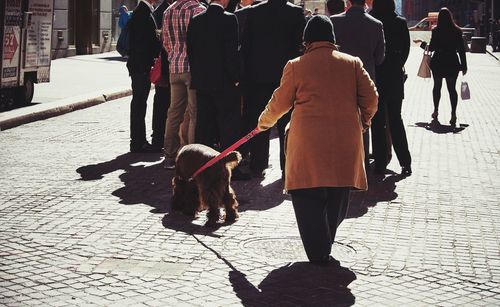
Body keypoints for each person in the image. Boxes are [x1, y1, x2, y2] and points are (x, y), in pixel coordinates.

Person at [257, 16, 378, 265]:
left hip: (307, 143)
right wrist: (364, 122)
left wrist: (264, 123)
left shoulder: (296, 65)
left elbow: (279, 103)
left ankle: (317, 249)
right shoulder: (353, 64)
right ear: (333, 39)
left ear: (306, 40)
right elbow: (372, 98)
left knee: (306, 194)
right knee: (338, 192)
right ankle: (325, 244)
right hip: (345, 140)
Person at [240, 0, 306, 178]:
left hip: (257, 77)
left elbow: (245, 45)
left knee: (260, 120)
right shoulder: (295, 13)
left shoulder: (254, 12)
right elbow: (301, 47)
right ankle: (287, 166)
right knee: (287, 124)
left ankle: (258, 163)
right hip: (286, 76)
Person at [186, 0, 250, 180]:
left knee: (204, 126)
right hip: (225, 83)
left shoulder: (196, 20)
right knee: (229, 126)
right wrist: (236, 77)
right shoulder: (229, 19)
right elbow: (231, 52)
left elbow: (191, 51)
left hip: (203, 82)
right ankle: (229, 169)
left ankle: (200, 165)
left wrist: (198, 75)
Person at [330, 0, 385, 171]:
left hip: (339, 81)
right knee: (363, 123)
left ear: (348, 2)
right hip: (364, 79)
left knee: (337, 121)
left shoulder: (335, 21)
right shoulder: (376, 25)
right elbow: (380, 58)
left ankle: (339, 164)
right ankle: (361, 167)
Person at [369, 0, 412, 176]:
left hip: (376, 75)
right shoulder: (400, 22)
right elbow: (406, 49)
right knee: (396, 119)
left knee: (377, 122)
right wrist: (397, 64)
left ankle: (380, 162)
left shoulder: (371, 20)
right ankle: (405, 161)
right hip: (394, 76)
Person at [162, 0, 205, 168]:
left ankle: (169, 155)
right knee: (194, 113)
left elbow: (165, 41)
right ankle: (193, 158)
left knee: (174, 113)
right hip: (191, 67)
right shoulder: (198, 9)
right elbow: (201, 43)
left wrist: (174, 54)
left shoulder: (168, 11)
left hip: (174, 67)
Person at [414, 7, 467, 126]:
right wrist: (464, 66)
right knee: (452, 89)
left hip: (438, 62)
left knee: (437, 87)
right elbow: (461, 50)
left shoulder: (436, 30)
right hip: (452, 62)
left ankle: (436, 111)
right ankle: (453, 114)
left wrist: (421, 43)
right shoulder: (457, 31)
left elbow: (432, 47)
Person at [126, 0, 162, 153]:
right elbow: (145, 43)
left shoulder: (141, 12)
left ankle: (139, 140)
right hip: (141, 66)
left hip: (139, 65)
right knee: (139, 104)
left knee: (139, 104)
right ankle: (137, 141)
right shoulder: (143, 13)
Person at [150, 0, 172, 151]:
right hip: (166, 67)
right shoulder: (163, 11)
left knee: (162, 103)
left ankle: (158, 138)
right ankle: (158, 138)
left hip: (167, 65)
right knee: (164, 104)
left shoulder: (162, 10)